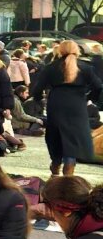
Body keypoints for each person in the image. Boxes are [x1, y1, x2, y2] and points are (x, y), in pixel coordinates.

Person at [31, 41, 103, 176]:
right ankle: (69, 170)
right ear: (77, 50)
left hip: (56, 104)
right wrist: (89, 98)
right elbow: (98, 86)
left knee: (55, 136)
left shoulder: (51, 67)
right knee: (73, 139)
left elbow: (37, 89)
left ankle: (55, 165)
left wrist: (39, 99)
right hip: (77, 105)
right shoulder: (85, 67)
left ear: (60, 51)